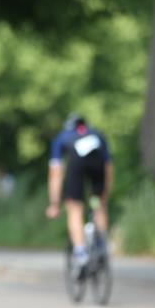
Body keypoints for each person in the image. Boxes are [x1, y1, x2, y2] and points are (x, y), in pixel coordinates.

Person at [46, 113, 113, 276]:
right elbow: (108, 168)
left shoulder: (63, 137)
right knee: (98, 204)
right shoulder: (98, 135)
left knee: (75, 208)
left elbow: (56, 172)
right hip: (97, 166)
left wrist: (55, 203)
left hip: (77, 165)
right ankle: (102, 245)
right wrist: (105, 195)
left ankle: (81, 253)